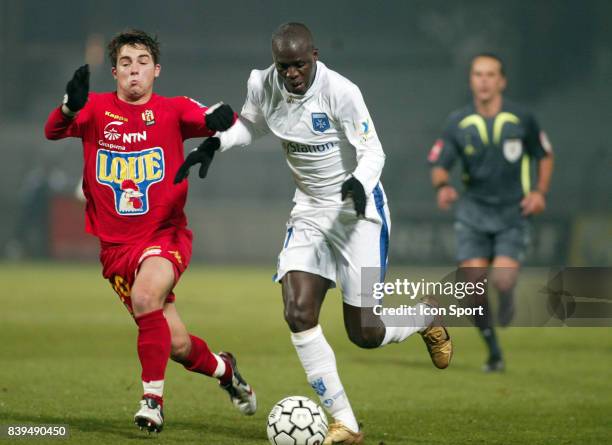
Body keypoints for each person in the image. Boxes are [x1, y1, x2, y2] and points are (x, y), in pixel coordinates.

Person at [176, 23, 452, 444]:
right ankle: (346, 423)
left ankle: (425, 316)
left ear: (315, 56)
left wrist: (358, 182)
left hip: (357, 214)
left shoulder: (342, 91)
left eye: (299, 65)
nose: (291, 74)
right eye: (283, 66)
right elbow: (251, 124)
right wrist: (216, 143)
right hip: (308, 212)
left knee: (365, 333)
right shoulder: (262, 83)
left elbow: (373, 149)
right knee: (298, 312)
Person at [44, 29, 256, 433]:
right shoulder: (94, 109)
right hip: (116, 249)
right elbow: (52, 130)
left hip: (165, 234)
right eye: (126, 63)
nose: (134, 70)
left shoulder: (173, 109)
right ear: (115, 72)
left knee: (145, 296)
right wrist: (70, 107)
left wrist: (219, 118)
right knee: (176, 345)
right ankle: (226, 372)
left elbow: (215, 117)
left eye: (142, 62)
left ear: (156, 70)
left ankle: (152, 402)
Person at [428, 53, 554, 372]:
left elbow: (545, 154)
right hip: (473, 212)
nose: (483, 80)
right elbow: (439, 164)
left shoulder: (522, 118)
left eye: (490, 74)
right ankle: (494, 352)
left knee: (502, 280)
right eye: (478, 74)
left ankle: (507, 295)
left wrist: (539, 192)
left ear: (502, 81)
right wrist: (442, 186)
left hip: (513, 212)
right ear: (471, 80)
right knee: (472, 285)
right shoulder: (457, 121)